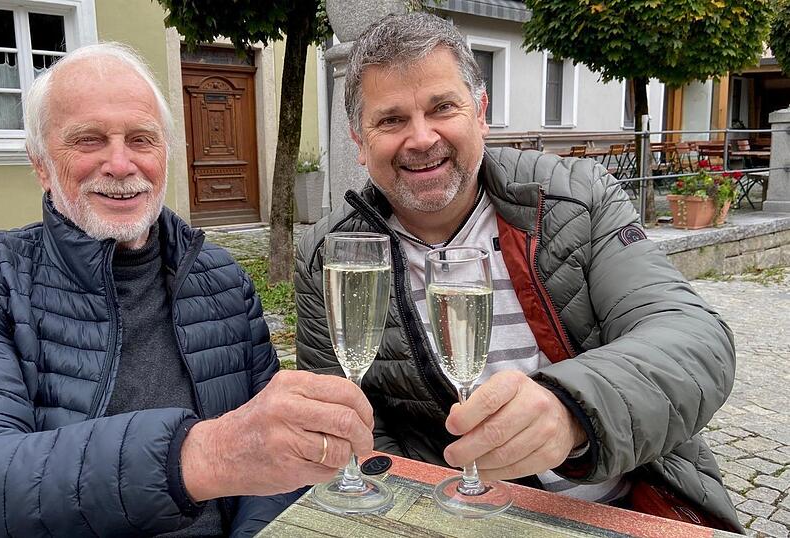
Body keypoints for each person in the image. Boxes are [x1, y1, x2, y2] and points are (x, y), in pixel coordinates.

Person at [0, 43, 375, 538]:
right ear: (41, 164)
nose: (121, 165)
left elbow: (271, 471)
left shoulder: (222, 281)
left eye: (141, 139)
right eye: (89, 140)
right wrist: (202, 456)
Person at [295, 12, 741, 532]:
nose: (421, 138)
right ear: (359, 139)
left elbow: (695, 340)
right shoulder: (329, 255)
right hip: (455, 515)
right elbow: (357, 425)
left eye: (443, 107)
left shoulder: (579, 198)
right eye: (390, 120)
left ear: (480, 112)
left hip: (618, 503)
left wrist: (573, 410)